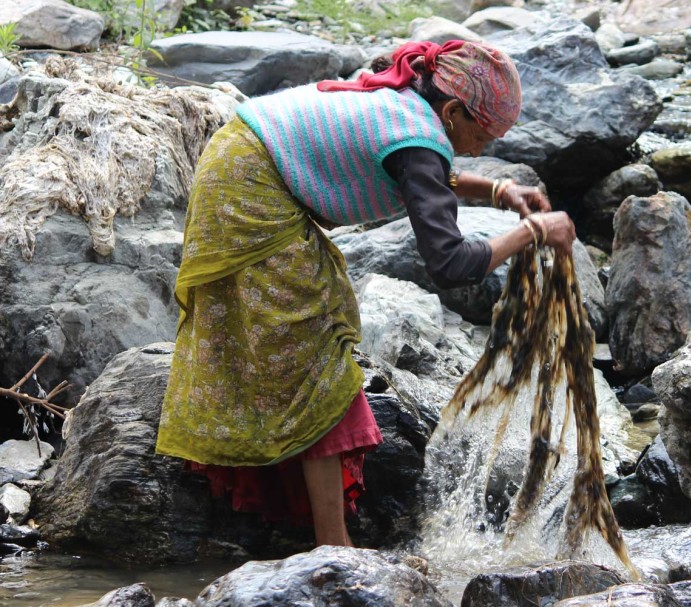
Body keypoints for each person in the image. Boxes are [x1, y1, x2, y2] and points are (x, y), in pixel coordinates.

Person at [155, 39, 577, 547]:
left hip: (239, 154)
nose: (483, 150)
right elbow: (452, 264)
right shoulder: (419, 137)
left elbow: (412, 166)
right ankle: (335, 547)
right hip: (248, 186)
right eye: (483, 135)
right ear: (452, 111)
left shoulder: (407, 106)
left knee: (293, 339)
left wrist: (496, 191)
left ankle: (310, 522)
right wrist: (532, 233)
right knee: (313, 350)